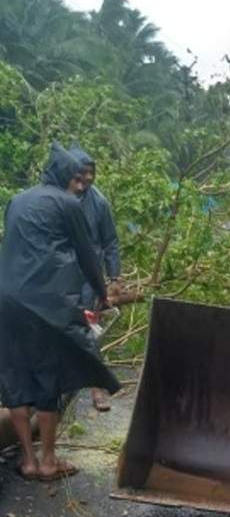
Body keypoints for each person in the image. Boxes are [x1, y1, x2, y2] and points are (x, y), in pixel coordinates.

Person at [0, 143, 120, 480]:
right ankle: (48, 460)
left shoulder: (18, 199)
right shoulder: (68, 204)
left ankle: (27, 460)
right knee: (46, 375)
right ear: (63, 177)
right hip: (45, 303)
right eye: (76, 179)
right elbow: (87, 255)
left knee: (14, 373)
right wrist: (102, 291)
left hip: (6, 298)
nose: (80, 186)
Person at [68, 144, 121, 412]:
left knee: (89, 331)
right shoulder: (58, 196)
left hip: (89, 279)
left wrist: (114, 278)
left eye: (91, 172)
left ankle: (97, 388)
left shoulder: (99, 202)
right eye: (82, 172)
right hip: (60, 276)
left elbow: (111, 241)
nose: (87, 178)